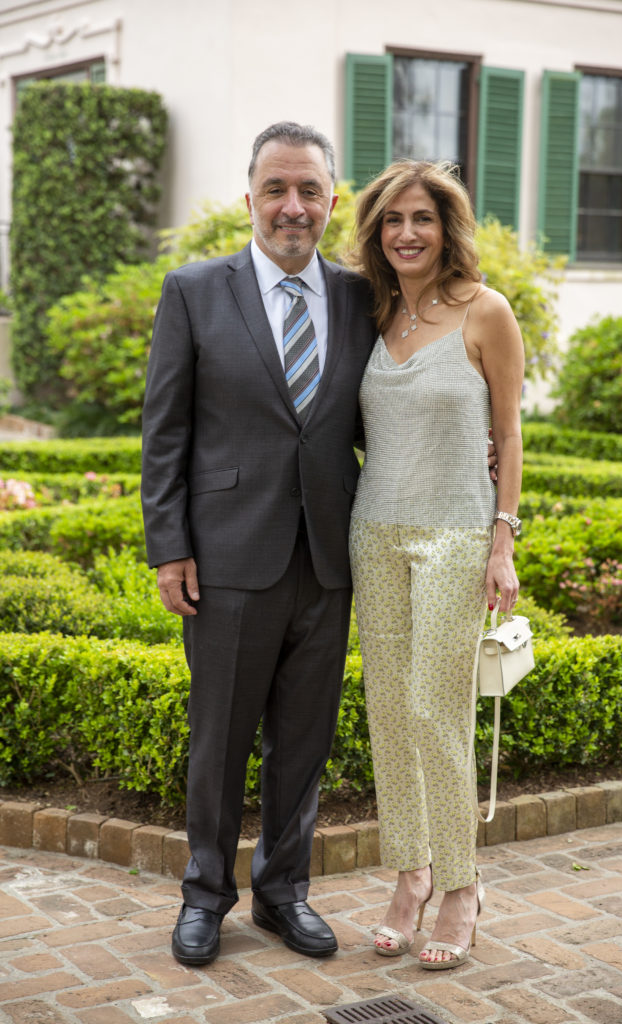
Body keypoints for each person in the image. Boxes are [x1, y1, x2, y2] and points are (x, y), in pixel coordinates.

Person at [141, 121, 376, 966]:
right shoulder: (194, 290)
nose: (292, 206)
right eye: (276, 188)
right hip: (228, 560)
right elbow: (164, 431)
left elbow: (381, 419)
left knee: (303, 745)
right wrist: (169, 546)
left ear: (332, 201)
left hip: (329, 560)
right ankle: (204, 895)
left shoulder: (361, 298)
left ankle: (284, 894)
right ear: (249, 199)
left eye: (309, 189)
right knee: (220, 741)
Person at [347, 160, 524, 970]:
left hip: (456, 532)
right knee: (387, 710)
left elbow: (509, 432)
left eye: (421, 217)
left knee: (433, 709)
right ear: (376, 232)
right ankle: (409, 874)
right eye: (392, 219)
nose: (406, 233)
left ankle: (461, 885)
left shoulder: (486, 311)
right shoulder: (372, 311)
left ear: (446, 227)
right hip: (373, 530)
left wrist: (502, 540)